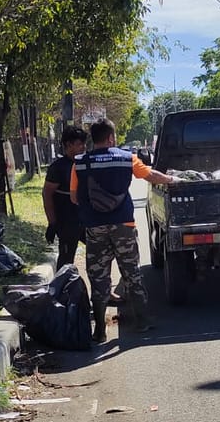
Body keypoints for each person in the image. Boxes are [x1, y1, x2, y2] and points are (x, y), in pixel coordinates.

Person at [71, 118, 180, 342]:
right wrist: (172, 179)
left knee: (99, 278)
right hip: (124, 226)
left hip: (94, 227)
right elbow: (151, 176)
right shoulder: (126, 158)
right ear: (111, 138)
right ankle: (142, 321)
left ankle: (100, 330)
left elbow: (74, 197)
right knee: (131, 272)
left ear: (94, 138)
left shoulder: (79, 163)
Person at [42, 125, 88, 268]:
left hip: (88, 220)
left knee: (101, 255)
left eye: (84, 143)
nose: (83, 147)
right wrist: (52, 223)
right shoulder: (58, 168)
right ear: (68, 145)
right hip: (67, 222)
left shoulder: (87, 162)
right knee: (66, 262)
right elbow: (47, 194)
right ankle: (63, 289)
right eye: (79, 144)